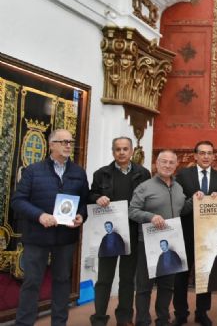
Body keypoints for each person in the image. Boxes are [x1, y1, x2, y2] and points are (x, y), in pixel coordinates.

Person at [11, 128, 89, 326]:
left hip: (65, 238)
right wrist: (40, 215)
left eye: (70, 142)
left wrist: (81, 215)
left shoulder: (79, 172)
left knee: (62, 282)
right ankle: (24, 323)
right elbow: (18, 201)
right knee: (32, 282)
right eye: (63, 142)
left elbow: (85, 202)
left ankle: (59, 323)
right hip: (36, 237)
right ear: (51, 144)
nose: (68, 145)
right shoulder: (33, 171)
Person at [129, 150, 199, 326]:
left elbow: (182, 210)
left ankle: (163, 320)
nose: (167, 165)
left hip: (172, 244)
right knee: (144, 287)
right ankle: (143, 321)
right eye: (164, 162)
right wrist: (150, 217)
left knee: (167, 286)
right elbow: (132, 211)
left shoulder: (178, 188)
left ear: (176, 166)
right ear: (156, 164)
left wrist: (194, 200)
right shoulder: (145, 187)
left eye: (171, 162)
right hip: (148, 243)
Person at [89, 136, 151, 326]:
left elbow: (147, 200)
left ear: (132, 151)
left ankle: (124, 318)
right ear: (113, 151)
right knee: (104, 279)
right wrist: (97, 197)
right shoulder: (101, 174)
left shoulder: (143, 173)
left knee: (127, 280)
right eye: (118, 149)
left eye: (125, 149)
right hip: (109, 236)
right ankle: (99, 318)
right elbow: (90, 194)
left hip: (132, 233)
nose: (122, 152)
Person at [173, 140, 217, 326]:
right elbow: (178, 205)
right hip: (186, 232)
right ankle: (181, 313)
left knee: (205, 274)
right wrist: (191, 199)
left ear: (213, 156)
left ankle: (202, 312)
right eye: (202, 153)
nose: (206, 156)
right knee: (181, 275)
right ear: (195, 155)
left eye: (209, 153)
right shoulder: (182, 176)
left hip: (209, 235)